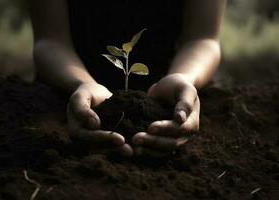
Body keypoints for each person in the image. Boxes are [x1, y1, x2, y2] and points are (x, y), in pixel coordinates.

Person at [29, 0, 226, 157]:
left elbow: (203, 39)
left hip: (167, 98)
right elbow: (50, 41)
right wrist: (83, 84)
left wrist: (184, 79)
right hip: (65, 95)